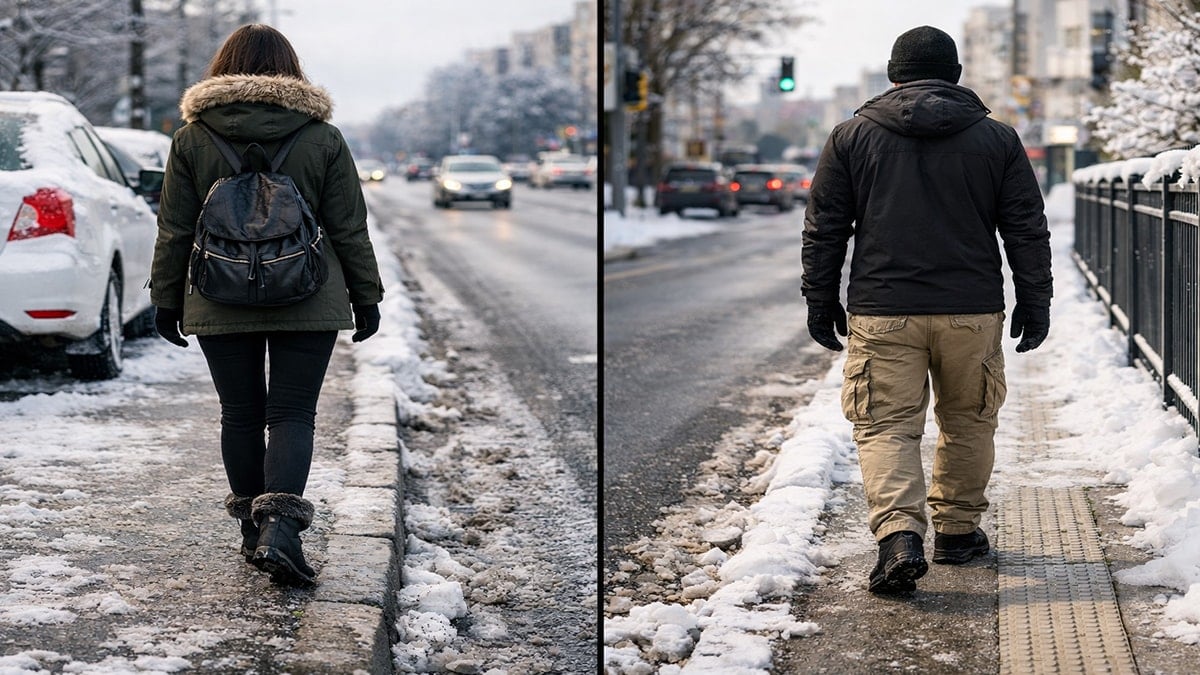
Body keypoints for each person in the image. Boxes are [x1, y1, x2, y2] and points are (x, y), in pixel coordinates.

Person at [801, 25, 1052, 594]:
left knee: (886, 423)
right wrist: (1036, 300)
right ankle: (959, 532)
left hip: (884, 310)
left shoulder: (849, 137)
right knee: (969, 419)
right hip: (972, 310)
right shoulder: (998, 140)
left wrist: (820, 299)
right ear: (957, 76)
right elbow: (1026, 230)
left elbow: (824, 230)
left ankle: (898, 536)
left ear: (893, 75)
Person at [150, 24, 384, 587]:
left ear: (224, 68)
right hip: (308, 291)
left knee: (242, 414)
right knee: (292, 413)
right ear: (290, 68)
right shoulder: (322, 136)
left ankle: (252, 535)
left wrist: (165, 299)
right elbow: (349, 226)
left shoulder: (192, 137)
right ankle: (281, 528)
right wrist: (366, 295)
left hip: (217, 291)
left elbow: (175, 228)